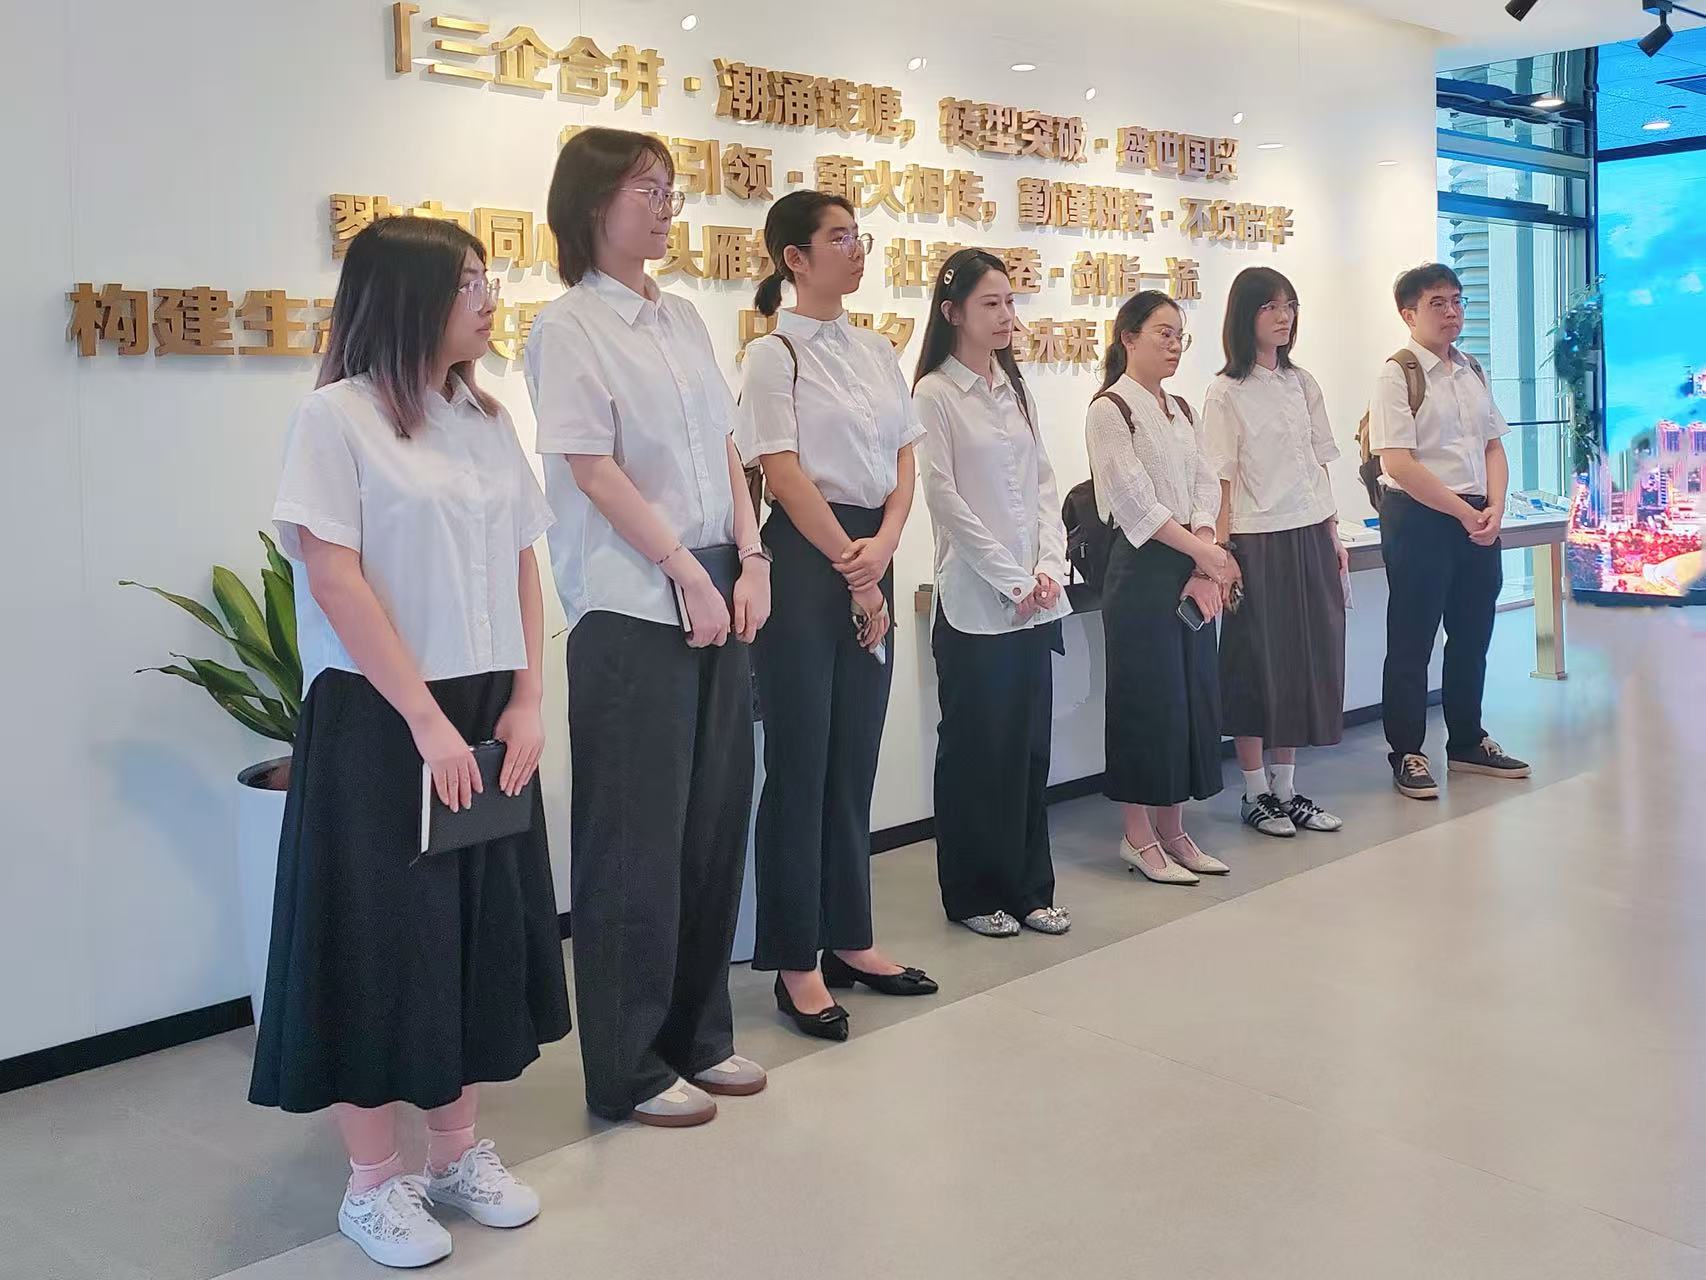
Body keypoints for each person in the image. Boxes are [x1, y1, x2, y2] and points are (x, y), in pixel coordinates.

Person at [249, 215, 571, 1270]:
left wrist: (527, 697)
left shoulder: (484, 417)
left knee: (465, 932)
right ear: (407, 296)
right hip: (379, 714)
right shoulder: (335, 418)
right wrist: (426, 722)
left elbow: (521, 560)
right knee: (374, 942)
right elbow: (333, 576)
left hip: (482, 706)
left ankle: (456, 1151)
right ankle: (372, 1181)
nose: (488, 297)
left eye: (486, 277)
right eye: (469, 281)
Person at [525, 127, 772, 1128]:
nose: (667, 207)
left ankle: (698, 1035)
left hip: (718, 581)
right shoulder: (568, 327)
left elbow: (727, 450)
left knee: (713, 822)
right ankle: (627, 1065)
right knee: (634, 839)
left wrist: (751, 556)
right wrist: (683, 568)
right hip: (632, 601)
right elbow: (591, 468)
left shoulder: (684, 319)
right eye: (646, 190)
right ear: (592, 204)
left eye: (670, 190)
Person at [739, 190, 938, 1042]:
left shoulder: (876, 350)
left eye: (860, 237)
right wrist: (855, 570)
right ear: (794, 258)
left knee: (854, 758)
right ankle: (796, 961)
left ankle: (851, 937)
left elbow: (904, 458)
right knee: (801, 764)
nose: (856, 251)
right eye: (838, 238)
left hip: (871, 554)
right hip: (804, 561)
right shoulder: (772, 355)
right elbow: (782, 472)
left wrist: (883, 548)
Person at [912, 248, 1073, 938]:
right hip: (975, 607)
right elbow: (944, 501)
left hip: (1034, 602)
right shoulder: (933, 395)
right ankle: (974, 894)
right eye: (991, 303)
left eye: (1010, 302)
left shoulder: (1016, 388)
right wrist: (1012, 577)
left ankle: (1031, 888)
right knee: (977, 753)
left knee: (1030, 752)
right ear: (953, 313)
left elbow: (1044, 484)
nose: (1007, 315)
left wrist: (1049, 567)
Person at [1085, 290, 1232, 886]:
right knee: (1145, 701)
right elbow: (1134, 503)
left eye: (1179, 336)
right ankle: (1137, 835)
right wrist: (1206, 553)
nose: (1174, 346)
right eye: (1162, 334)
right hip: (1141, 571)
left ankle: (1174, 830)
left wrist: (1204, 554)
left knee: (1191, 698)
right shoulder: (1109, 409)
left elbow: (1205, 485)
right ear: (1129, 337)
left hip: (1189, 566)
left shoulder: (1182, 409)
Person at [1367, 263, 1530, 799]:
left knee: (1472, 634)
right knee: (1412, 640)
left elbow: (1493, 446)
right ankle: (1407, 751)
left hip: (1477, 517)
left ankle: (1466, 740)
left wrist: (1495, 507)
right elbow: (1398, 461)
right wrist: (1463, 512)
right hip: (1420, 517)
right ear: (1408, 313)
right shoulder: (1398, 373)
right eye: (1437, 303)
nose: (1452, 312)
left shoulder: (1471, 368)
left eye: (1457, 300)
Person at [1204, 267, 1347, 838]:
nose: (1284, 317)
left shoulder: (1302, 383)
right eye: (1270, 307)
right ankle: (1254, 790)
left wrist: (1333, 534)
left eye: (1289, 305)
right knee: (1254, 663)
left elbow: (1318, 466)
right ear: (1245, 315)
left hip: (1309, 531)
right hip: (1255, 537)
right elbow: (1219, 479)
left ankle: (1286, 789)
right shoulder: (1225, 392)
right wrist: (1221, 553)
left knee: (1301, 661)